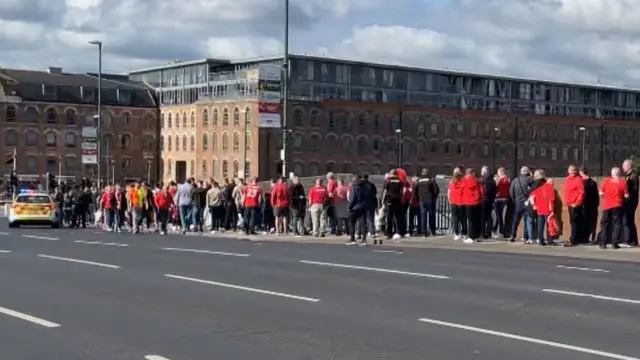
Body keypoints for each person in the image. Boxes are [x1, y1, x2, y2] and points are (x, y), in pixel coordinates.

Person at [599, 167, 628, 249]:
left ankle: (603, 243)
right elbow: (626, 195)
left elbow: (601, 193)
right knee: (617, 223)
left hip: (606, 205)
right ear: (619, 174)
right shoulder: (623, 182)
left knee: (605, 223)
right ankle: (614, 243)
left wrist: (606, 197)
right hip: (617, 205)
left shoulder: (606, 181)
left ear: (612, 173)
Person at [528, 169, 554, 246]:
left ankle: (540, 239)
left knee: (540, 224)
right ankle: (550, 240)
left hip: (539, 207)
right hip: (547, 208)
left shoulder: (534, 184)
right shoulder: (547, 185)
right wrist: (552, 209)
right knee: (549, 224)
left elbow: (531, 195)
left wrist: (534, 205)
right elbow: (551, 199)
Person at [562, 165, 585, 247]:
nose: (573, 172)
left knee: (575, 221)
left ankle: (574, 239)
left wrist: (576, 203)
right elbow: (565, 190)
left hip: (575, 204)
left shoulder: (579, 180)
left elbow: (581, 193)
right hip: (569, 204)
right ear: (568, 171)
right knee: (572, 222)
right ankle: (576, 238)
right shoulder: (567, 179)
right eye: (571, 170)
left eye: (574, 170)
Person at [413, 168, 440, 237]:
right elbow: (436, 190)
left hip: (422, 200)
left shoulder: (418, 181)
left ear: (422, 173)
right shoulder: (431, 179)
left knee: (423, 215)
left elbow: (415, 190)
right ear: (427, 173)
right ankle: (432, 231)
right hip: (430, 199)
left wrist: (418, 198)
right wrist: (434, 197)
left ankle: (424, 232)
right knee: (431, 216)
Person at [509, 166, 532, 243]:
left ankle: (513, 235)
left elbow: (511, 192)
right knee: (526, 220)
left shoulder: (515, 180)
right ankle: (525, 236)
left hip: (518, 202)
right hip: (526, 202)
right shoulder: (529, 180)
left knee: (516, 220)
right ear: (527, 172)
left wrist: (515, 200)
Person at [461, 168, 483, 243]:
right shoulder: (477, 181)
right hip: (477, 202)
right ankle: (477, 236)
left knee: (470, 220)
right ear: (472, 173)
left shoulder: (464, 180)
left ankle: (471, 237)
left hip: (468, 202)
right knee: (477, 219)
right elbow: (481, 191)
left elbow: (461, 190)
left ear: (466, 173)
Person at [382, 169, 405, 239]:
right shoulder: (400, 180)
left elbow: (385, 191)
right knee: (398, 217)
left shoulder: (388, 180)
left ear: (390, 173)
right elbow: (402, 190)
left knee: (389, 217)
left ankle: (389, 233)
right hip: (398, 200)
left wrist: (382, 200)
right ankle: (398, 232)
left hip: (390, 200)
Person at [347, 173, 369, 245]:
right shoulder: (366, 186)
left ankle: (352, 239)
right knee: (363, 223)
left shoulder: (355, 186)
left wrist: (349, 206)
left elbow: (353, 198)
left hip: (355, 207)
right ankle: (364, 239)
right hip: (363, 206)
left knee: (352, 223)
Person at [621, 159, 639, 247]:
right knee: (629, 220)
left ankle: (629, 240)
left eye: (624, 165)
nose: (622, 167)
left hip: (630, 202)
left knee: (627, 221)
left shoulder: (633, 176)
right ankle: (633, 241)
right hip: (629, 202)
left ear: (629, 166)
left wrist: (627, 197)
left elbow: (634, 191)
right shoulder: (628, 176)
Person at [580, 167, 599, 243]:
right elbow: (596, 195)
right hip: (593, 205)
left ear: (582, 173)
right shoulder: (593, 182)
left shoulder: (582, 182)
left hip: (585, 205)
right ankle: (591, 236)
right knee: (592, 222)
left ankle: (585, 238)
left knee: (585, 221)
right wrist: (597, 204)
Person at [448, 167, 466, 240]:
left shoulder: (451, 182)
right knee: (462, 219)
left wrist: (450, 201)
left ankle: (456, 233)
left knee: (455, 219)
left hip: (454, 203)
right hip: (461, 203)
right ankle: (464, 233)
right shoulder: (463, 181)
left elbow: (449, 193)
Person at [479, 166, 496, 240]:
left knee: (482, 217)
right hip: (490, 200)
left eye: (482, 172)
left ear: (484, 172)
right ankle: (489, 234)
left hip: (483, 200)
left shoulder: (482, 180)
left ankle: (482, 233)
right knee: (489, 217)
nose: (481, 173)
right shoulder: (493, 181)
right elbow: (495, 191)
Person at [494, 167, 510, 237]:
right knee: (499, 215)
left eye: (498, 172)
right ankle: (496, 230)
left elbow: (497, 189)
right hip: (505, 199)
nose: (498, 174)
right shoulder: (507, 180)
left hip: (499, 199)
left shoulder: (501, 180)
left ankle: (499, 231)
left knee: (499, 216)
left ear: (501, 172)